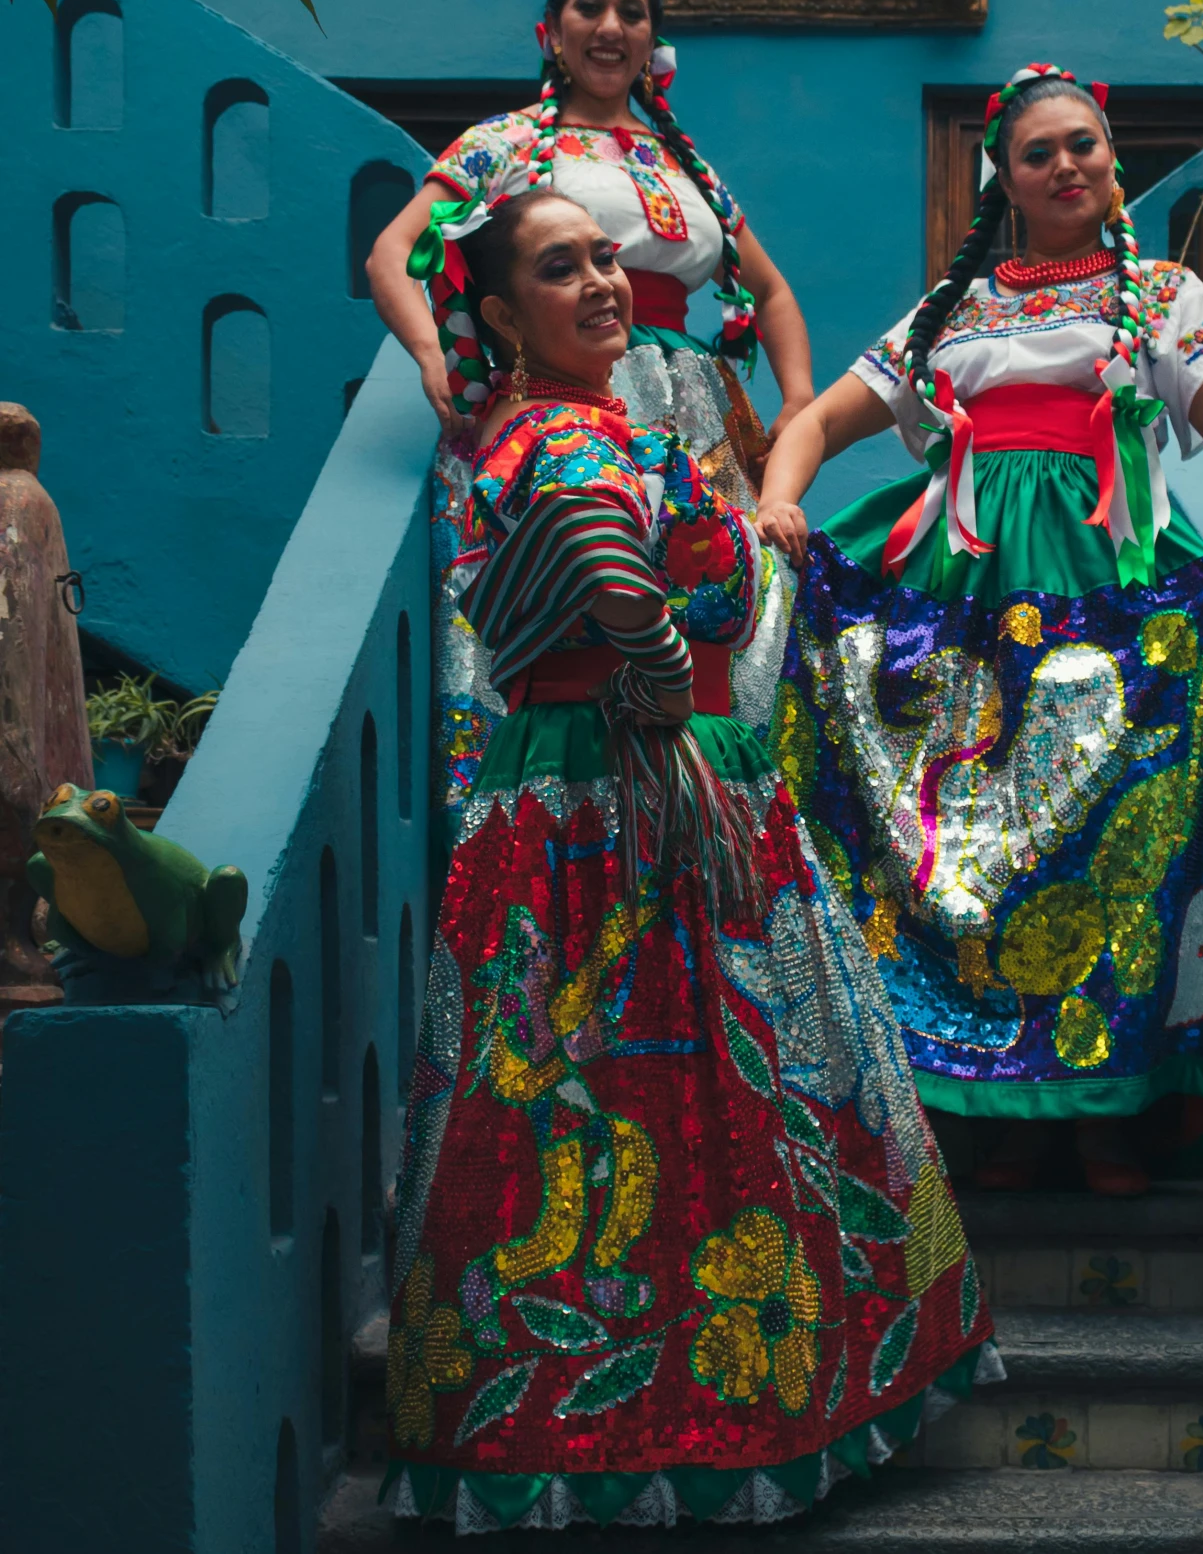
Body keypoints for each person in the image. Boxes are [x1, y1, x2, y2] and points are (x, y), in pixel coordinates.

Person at [384, 186, 997, 1531]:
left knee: (646, 1106)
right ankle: (687, 1422)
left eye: (609, 254)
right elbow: (609, 570)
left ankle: (666, 1411)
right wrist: (658, 671)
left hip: (617, 786)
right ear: (499, 312)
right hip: (620, 802)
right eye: (563, 267)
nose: (604, 280)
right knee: (652, 1098)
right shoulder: (555, 434)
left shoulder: (585, 423)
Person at [756, 64, 1203, 1195]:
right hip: (953, 614)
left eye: (1083, 146)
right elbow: (819, 418)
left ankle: (1103, 1110)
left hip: (1104, 604)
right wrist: (778, 496)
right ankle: (998, 1110)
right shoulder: (952, 312)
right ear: (1001, 178)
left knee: (1098, 843)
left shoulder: (1160, 297)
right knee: (969, 847)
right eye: (1039, 152)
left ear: (1114, 165)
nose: (1065, 166)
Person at [367, 0, 814, 837]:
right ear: (552, 29)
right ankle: (561, 837)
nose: (611, 28)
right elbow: (393, 252)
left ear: (653, 39)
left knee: (719, 614)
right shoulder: (506, 143)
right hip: (562, 400)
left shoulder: (688, 166)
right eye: (590, 7)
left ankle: (704, 836)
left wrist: (796, 407)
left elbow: (767, 288)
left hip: (697, 414)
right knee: (587, 614)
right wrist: (436, 362)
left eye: (632, 11)